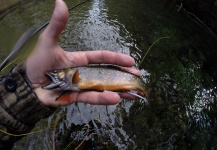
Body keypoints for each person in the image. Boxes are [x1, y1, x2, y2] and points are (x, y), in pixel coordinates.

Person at [0, 0, 141, 149]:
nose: (53, 75)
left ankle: (137, 86)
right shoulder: (68, 80)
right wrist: (27, 84)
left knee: (124, 87)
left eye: (56, 73)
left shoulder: (72, 78)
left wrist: (24, 86)